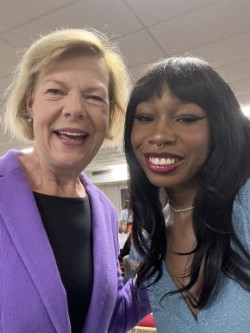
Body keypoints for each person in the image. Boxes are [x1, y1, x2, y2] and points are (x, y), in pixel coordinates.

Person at [0, 28, 150, 333]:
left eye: (94, 97)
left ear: (108, 116)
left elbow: (108, 318)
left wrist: (173, 258)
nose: (75, 109)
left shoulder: (105, 212)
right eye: (55, 91)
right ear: (30, 103)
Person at [124, 56, 250, 332]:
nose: (159, 135)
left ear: (220, 126)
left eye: (186, 118)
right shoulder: (148, 239)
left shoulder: (245, 206)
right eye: (145, 117)